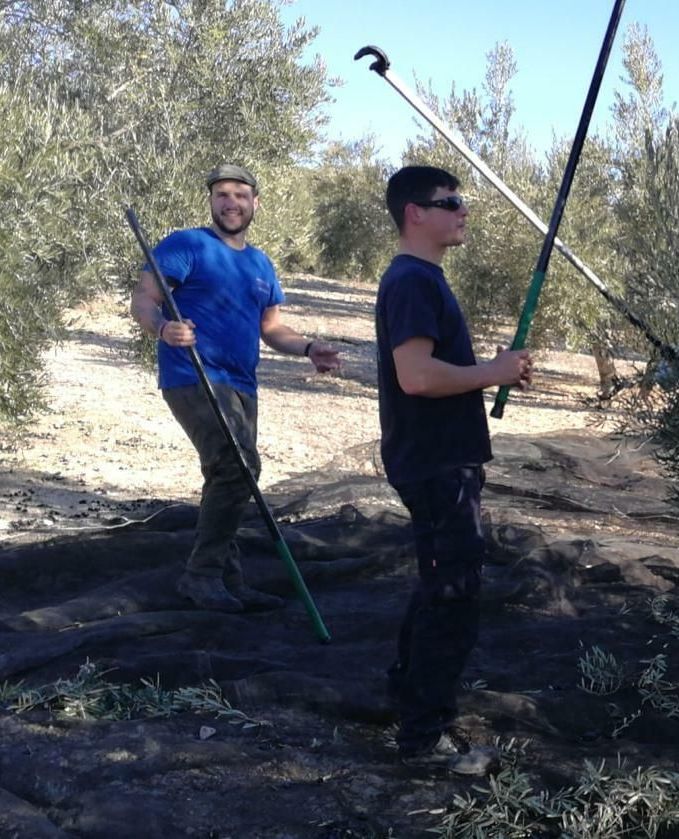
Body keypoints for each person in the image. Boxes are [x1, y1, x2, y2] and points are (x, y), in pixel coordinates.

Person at [375, 165, 533, 775]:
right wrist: (490, 374)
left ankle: (405, 694)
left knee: (438, 583)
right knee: (453, 598)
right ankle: (423, 738)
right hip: (435, 463)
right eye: (451, 201)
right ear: (416, 213)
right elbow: (416, 376)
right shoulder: (413, 281)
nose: (463, 210)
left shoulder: (421, 279)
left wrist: (490, 369)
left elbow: (434, 369)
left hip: (443, 460)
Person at [131, 164, 341, 614]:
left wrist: (309, 348)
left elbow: (272, 328)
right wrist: (163, 327)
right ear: (211, 201)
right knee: (238, 466)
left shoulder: (261, 264)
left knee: (228, 475)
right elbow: (145, 298)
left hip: (243, 384)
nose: (231, 203)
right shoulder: (187, 245)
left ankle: (228, 578)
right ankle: (201, 576)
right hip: (193, 375)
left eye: (240, 195)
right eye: (222, 194)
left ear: (255, 203)